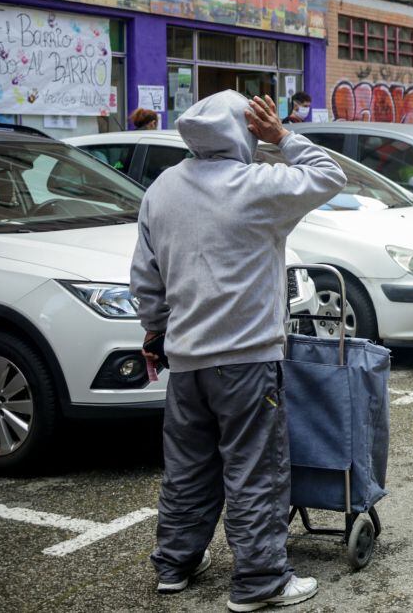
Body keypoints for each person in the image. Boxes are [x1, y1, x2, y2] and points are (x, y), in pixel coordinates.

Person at [130, 91, 347, 610]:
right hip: (247, 357)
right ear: (241, 131)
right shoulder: (256, 186)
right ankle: (259, 580)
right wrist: (282, 137)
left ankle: (175, 563)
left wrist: (156, 333)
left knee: (187, 465)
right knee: (254, 468)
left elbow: (146, 277)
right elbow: (330, 176)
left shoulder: (162, 190)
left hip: (187, 361)